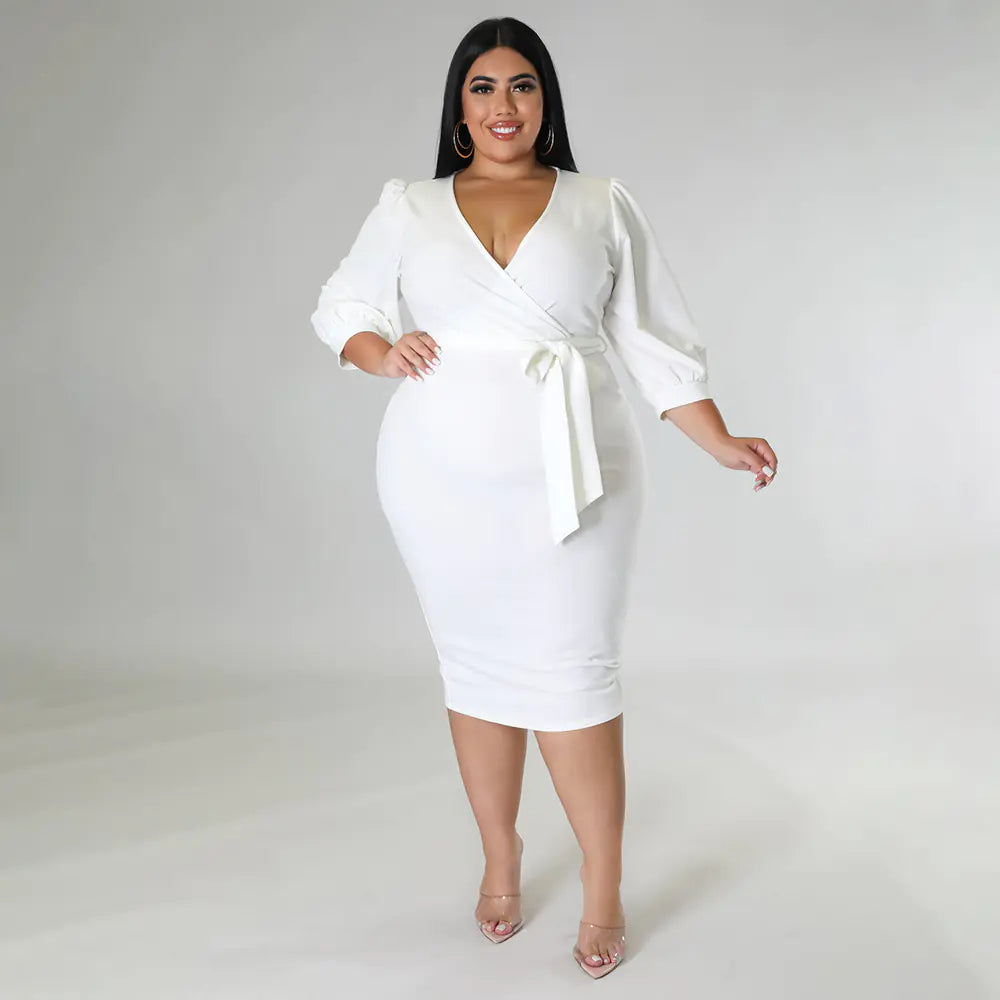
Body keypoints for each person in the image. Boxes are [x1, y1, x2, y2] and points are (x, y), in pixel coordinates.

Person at [309, 16, 777, 980]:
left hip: (580, 472)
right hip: (439, 478)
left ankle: (603, 884)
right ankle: (501, 856)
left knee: (576, 671)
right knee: (475, 668)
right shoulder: (409, 205)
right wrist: (380, 352)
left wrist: (719, 438)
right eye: (483, 87)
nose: (503, 105)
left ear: (546, 100)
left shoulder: (599, 202)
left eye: (521, 85)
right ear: (459, 107)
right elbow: (343, 309)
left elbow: (652, 339)